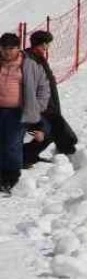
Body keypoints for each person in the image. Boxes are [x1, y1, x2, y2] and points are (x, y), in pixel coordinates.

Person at [0, 33, 50, 192]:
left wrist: (37, 106)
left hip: (18, 111)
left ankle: (9, 177)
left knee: (11, 144)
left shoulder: (30, 65)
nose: (7, 52)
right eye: (4, 48)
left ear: (18, 48)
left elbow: (44, 87)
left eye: (11, 48)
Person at [22, 30, 77, 167]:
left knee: (58, 131)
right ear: (39, 44)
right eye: (45, 45)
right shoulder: (29, 60)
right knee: (48, 131)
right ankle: (24, 156)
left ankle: (68, 154)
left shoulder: (38, 58)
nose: (47, 48)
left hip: (48, 105)